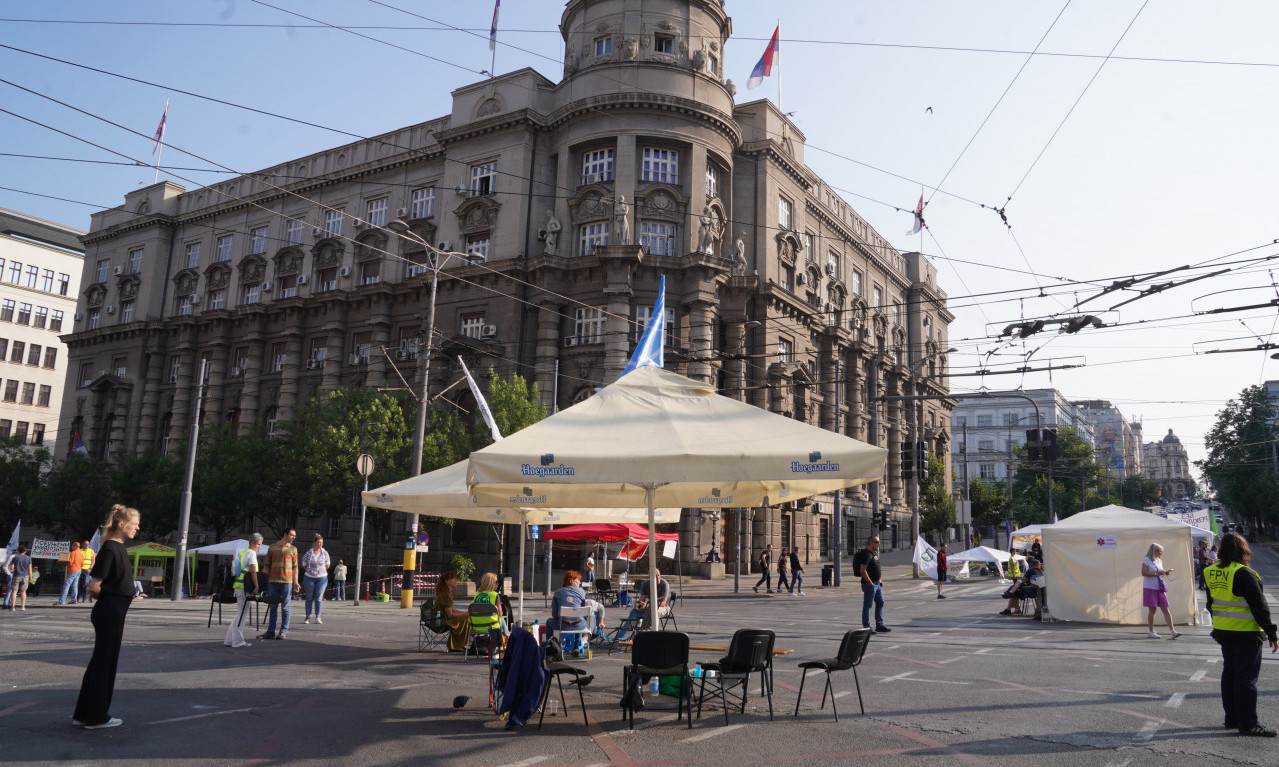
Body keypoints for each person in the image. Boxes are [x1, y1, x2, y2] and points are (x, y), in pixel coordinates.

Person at [73, 504, 140, 729]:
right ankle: (96, 717)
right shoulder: (111, 548)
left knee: (99, 662)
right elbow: (94, 586)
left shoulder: (116, 547)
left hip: (113, 609)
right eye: (134, 524)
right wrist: (111, 597)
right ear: (121, 524)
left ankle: (83, 714)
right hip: (110, 610)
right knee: (105, 663)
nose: (137, 528)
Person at [1205, 533, 1279, 736]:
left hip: (1223, 631)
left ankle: (1232, 718)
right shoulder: (1245, 573)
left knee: (1229, 673)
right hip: (1246, 632)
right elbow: (1259, 606)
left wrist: (1222, 621)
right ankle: (1248, 723)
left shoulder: (1210, 571)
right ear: (1243, 550)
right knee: (1246, 679)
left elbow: (1210, 604)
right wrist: (1272, 633)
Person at [259, 529, 299, 640]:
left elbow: (295, 567)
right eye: (292, 535)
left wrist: (296, 582)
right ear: (285, 535)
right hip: (273, 582)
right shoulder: (272, 548)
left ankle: (282, 632)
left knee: (285, 607)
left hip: (287, 582)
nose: (294, 537)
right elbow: (267, 565)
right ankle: (271, 631)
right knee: (273, 607)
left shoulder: (293, 549)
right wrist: (261, 581)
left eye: (295, 536)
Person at [224, 533, 262, 649]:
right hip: (245, 588)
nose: (259, 546)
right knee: (242, 615)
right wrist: (256, 586)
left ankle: (229, 640)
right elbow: (253, 570)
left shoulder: (243, 552)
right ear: (252, 543)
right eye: (258, 544)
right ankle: (237, 641)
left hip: (239, 586)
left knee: (239, 614)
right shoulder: (252, 553)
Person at [1141, 542, 1181, 639]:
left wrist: (1165, 573)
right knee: (1152, 609)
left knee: (1165, 608)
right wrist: (1156, 574)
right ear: (1154, 551)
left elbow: (1159, 573)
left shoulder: (1159, 561)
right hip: (1150, 587)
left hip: (1159, 587)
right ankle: (1151, 631)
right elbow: (1144, 573)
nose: (1161, 553)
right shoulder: (1146, 560)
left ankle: (1173, 631)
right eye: (1160, 551)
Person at [854, 535, 890, 632]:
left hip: (877, 584)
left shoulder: (874, 553)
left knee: (880, 602)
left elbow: (876, 567)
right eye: (876, 542)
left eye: (879, 542)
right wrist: (870, 583)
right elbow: (862, 570)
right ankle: (867, 627)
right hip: (869, 584)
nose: (879, 544)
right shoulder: (866, 554)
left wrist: (879, 580)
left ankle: (879, 625)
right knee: (868, 605)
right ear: (870, 542)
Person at [549, 570, 588, 655]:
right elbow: (582, 609)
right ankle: (576, 646)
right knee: (579, 619)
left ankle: (551, 644)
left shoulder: (558, 592)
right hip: (578, 625)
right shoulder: (581, 591)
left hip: (563, 625)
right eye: (578, 580)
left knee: (549, 622)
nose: (580, 582)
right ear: (572, 581)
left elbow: (554, 614)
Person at [434, 571, 470, 652]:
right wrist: (465, 614)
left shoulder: (446, 593)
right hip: (440, 620)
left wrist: (465, 613)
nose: (456, 581)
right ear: (447, 581)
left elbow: (450, 609)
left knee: (466, 617)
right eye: (454, 579)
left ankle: (459, 644)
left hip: (441, 618)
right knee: (465, 619)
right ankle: (456, 645)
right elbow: (450, 614)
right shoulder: (445, 594)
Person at [300, 533, 330, 625]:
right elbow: (304, 564)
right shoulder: (308, 553)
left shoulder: (325, 553)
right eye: (318, 542)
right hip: (309, 578)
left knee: (318, 598)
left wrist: (320, 570)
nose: (320, 544)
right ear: (314, 543)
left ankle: (318, 616)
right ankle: (307, 617)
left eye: (322, 542)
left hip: (322, 578)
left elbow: (327, 564)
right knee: (309, 597)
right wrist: (310, 570)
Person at [471, 571, 505, 638]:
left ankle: (506, 634)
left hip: (476, 626)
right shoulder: (495, 595)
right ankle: (506, 635)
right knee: (501, 618)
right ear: (491, 583)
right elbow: (500, 613)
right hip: (492, 626)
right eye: (496, 582)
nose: (498, 584)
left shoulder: (477, 593)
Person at [7, 546, 32, 611]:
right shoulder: (28, 558)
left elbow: (12, 568)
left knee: (14, 591)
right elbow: (30, 568)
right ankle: (23, 607)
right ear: (25, 551)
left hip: (16, 575)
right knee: (23, 591)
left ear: (18, 551)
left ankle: (13, 607)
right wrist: (30, 577)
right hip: (25, 576)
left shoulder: (15, 558)